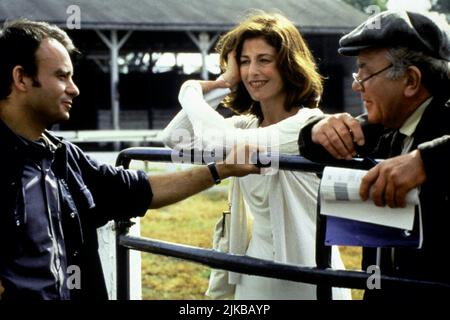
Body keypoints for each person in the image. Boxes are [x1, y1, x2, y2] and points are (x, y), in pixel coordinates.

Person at [0, 19, 259, 300]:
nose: (74, 89)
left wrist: (221, 169)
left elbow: (138, 190)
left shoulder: (65, 159)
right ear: (21, 78)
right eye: (62, 76)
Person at [161, 11, 350, 300]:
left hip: (309, 275)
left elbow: (220, 139)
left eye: (264, 60)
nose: (252, 72)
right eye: (244, 62)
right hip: (253, 271)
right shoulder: (245, 125)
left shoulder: (306, 124)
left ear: (289, 65)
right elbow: (176, 138)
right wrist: (222, 84)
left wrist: (190, 90)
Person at [298, 10, 450, 299]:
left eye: (365, 73)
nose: (356, 85)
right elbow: (310, 142)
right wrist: (318, 129)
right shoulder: (387, 124)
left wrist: (427, 161)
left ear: (411, 81)